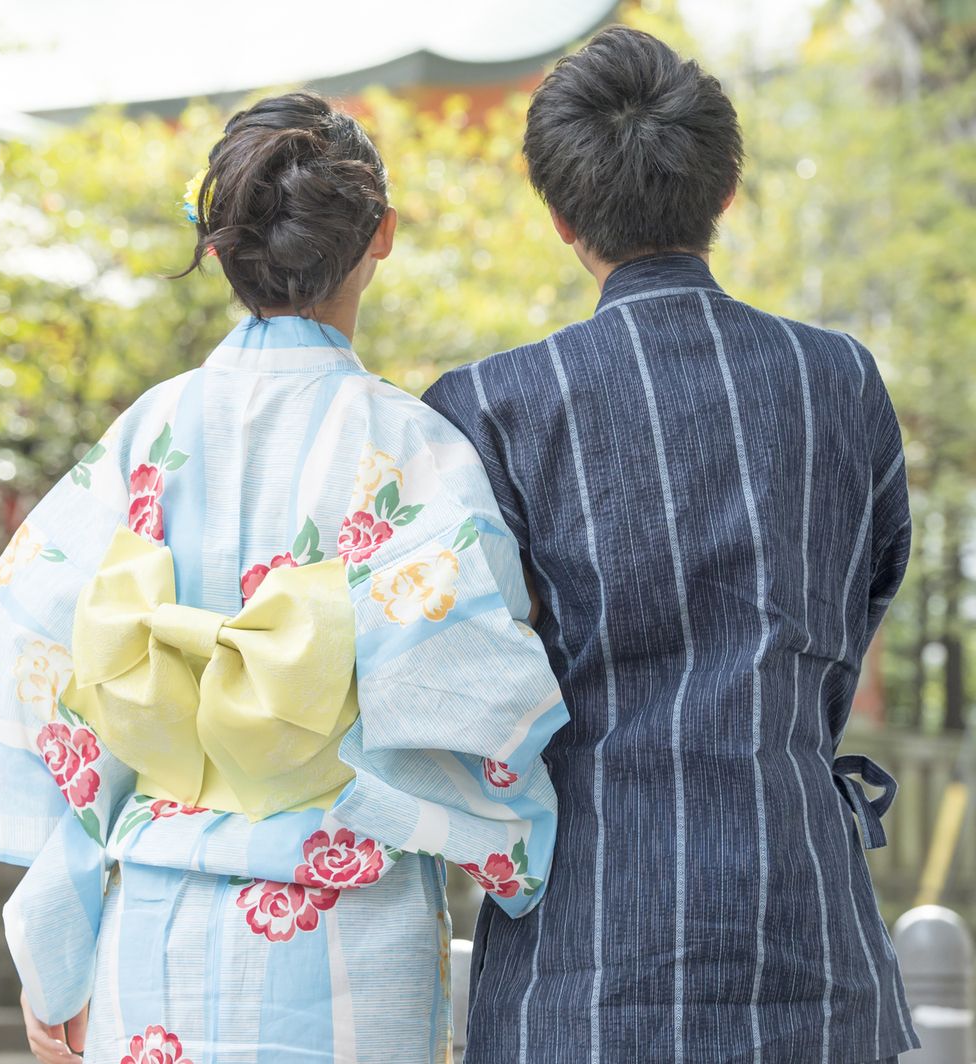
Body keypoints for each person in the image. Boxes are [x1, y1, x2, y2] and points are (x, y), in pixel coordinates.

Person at [0, 92, 568, 1063]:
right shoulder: (408, 445)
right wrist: (519, 847)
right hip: (344, 927)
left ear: (219, 249)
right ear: (381, 236)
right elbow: (475, 699)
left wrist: (56, 952)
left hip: (151, 921)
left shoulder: (147, 435)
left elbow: (60, 694)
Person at [424, 27, 917, 1064]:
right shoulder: (840, 383)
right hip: (808, 947)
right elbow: (866, 593)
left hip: (582, 964)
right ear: (722, 192)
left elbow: (455, 688)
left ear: (561, 219)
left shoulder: (488, 409)